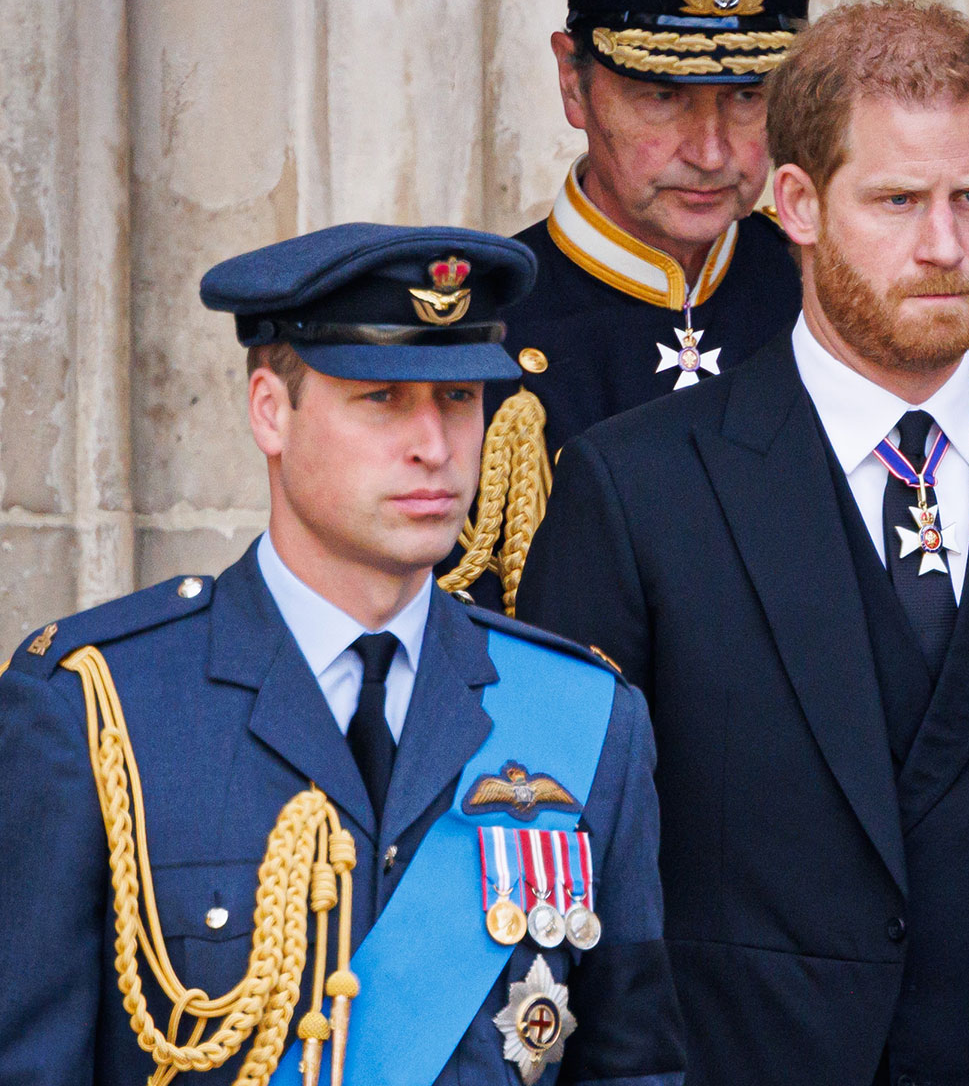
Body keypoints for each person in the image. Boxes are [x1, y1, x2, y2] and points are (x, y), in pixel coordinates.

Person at [517, 0, 969, 1086]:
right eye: (897, 201)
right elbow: (559, 875)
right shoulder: (637, 490)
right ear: (797, 201)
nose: (945, 246)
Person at [0, 224, 684, 1086]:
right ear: (269, 412)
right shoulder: (97, 712)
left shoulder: (584, 719)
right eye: (383, 399)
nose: (434, 447)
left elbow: (631, 1066)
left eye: (460, 401)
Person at [439, 0, 860, 612]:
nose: (710, 151)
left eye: (749, 95)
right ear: (574, 83)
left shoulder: (832, 290)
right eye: (663, 95)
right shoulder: (476, 325)